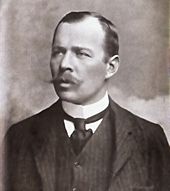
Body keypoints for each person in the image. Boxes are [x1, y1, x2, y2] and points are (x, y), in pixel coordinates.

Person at [4, 11, 170, 191]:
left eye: (81, 53)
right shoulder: (18, 138)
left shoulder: (149, 139)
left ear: (111, 67)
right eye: (58, 52)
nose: (65, 64)